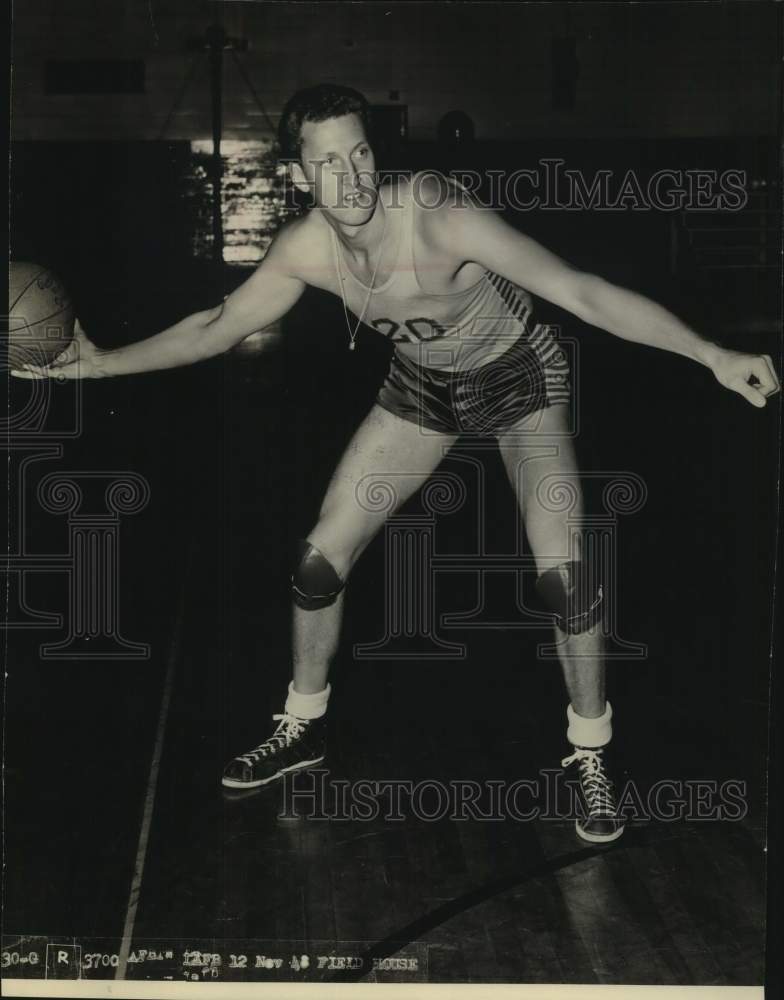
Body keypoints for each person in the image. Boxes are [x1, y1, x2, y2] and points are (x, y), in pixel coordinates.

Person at [13, 84, 779, 844]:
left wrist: (710, 353)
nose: (352, 179)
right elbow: (217, 325)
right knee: (319, 561)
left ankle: (591, 751)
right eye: (329, 163)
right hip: (420, 390)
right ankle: (303, 723)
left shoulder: (441, 216)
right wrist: (99, 366)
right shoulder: (304, 249)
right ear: (299, 175)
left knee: (564, 575)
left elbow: (581, 290)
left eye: (362, 153)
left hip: (519, 381)